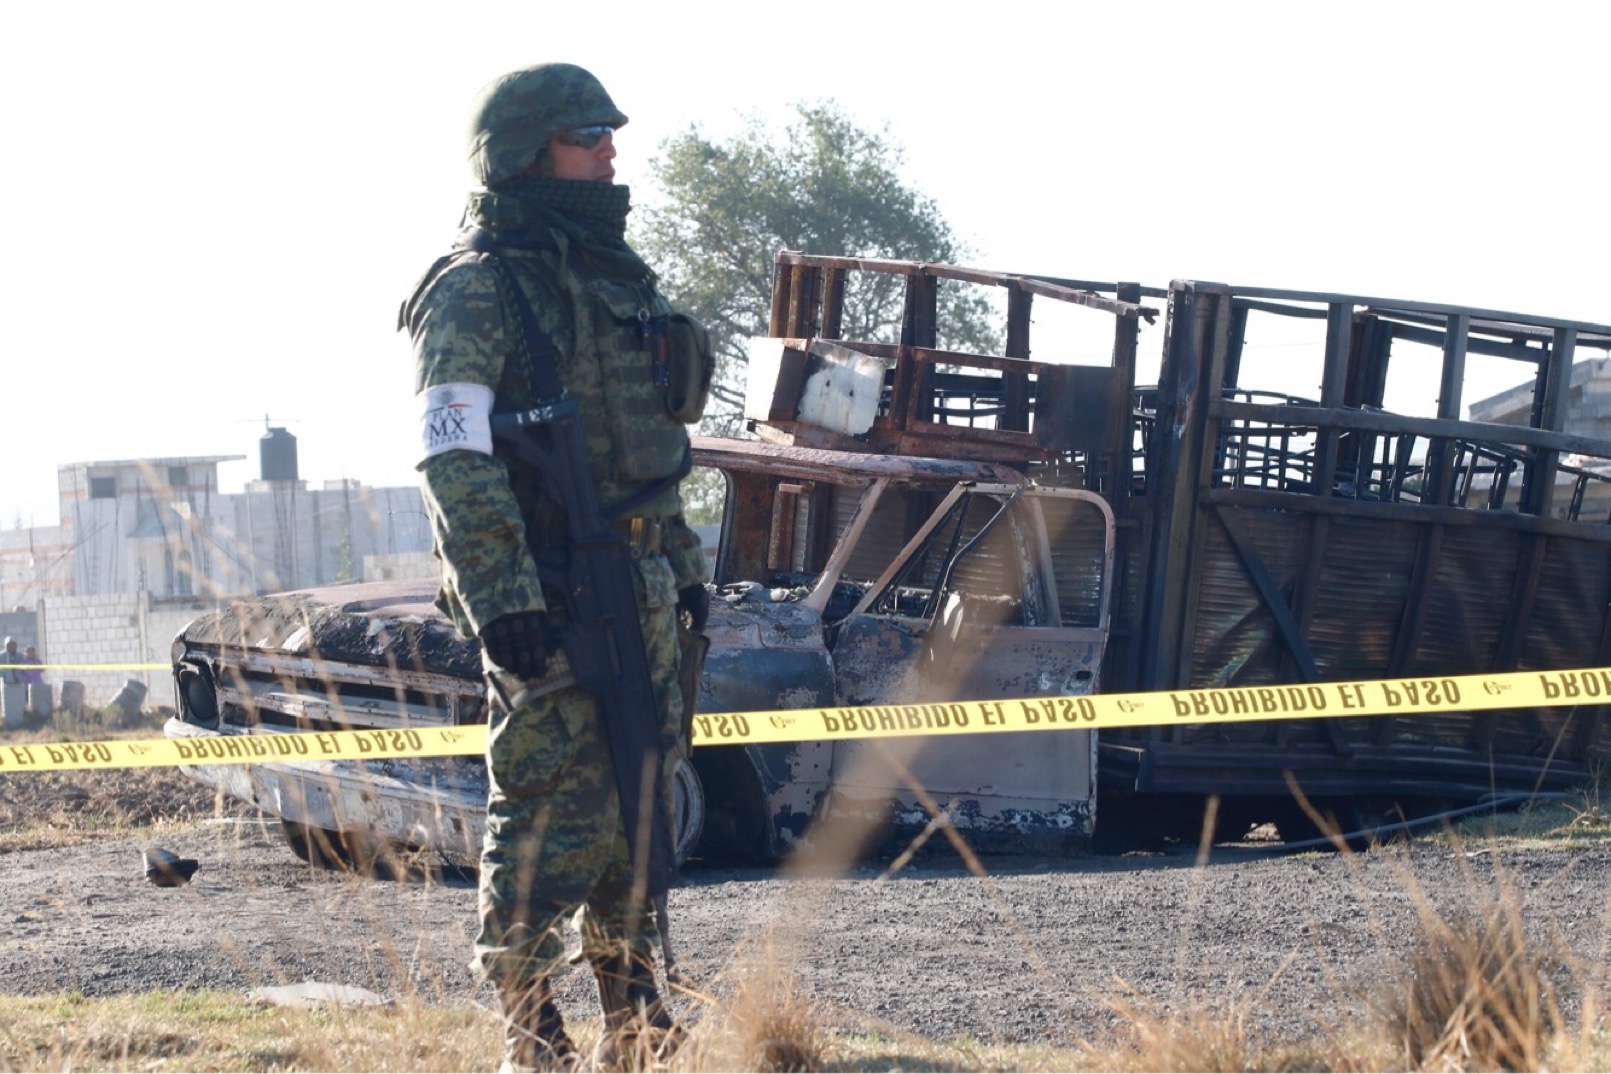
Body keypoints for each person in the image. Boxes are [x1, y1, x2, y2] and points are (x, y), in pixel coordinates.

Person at [400, 63, 711, 1072]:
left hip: (645, 591)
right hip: (549, 595)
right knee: (542, 812)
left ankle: (637, 1016)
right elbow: (455, 457)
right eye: (588, 135)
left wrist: (686, 571)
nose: (611, 153)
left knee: (643, 808)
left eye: (609, 134)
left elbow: (654, 462)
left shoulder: (617, 281)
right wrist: (503, 602)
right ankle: (529, 1030)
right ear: (529, 150)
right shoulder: (475, 288)